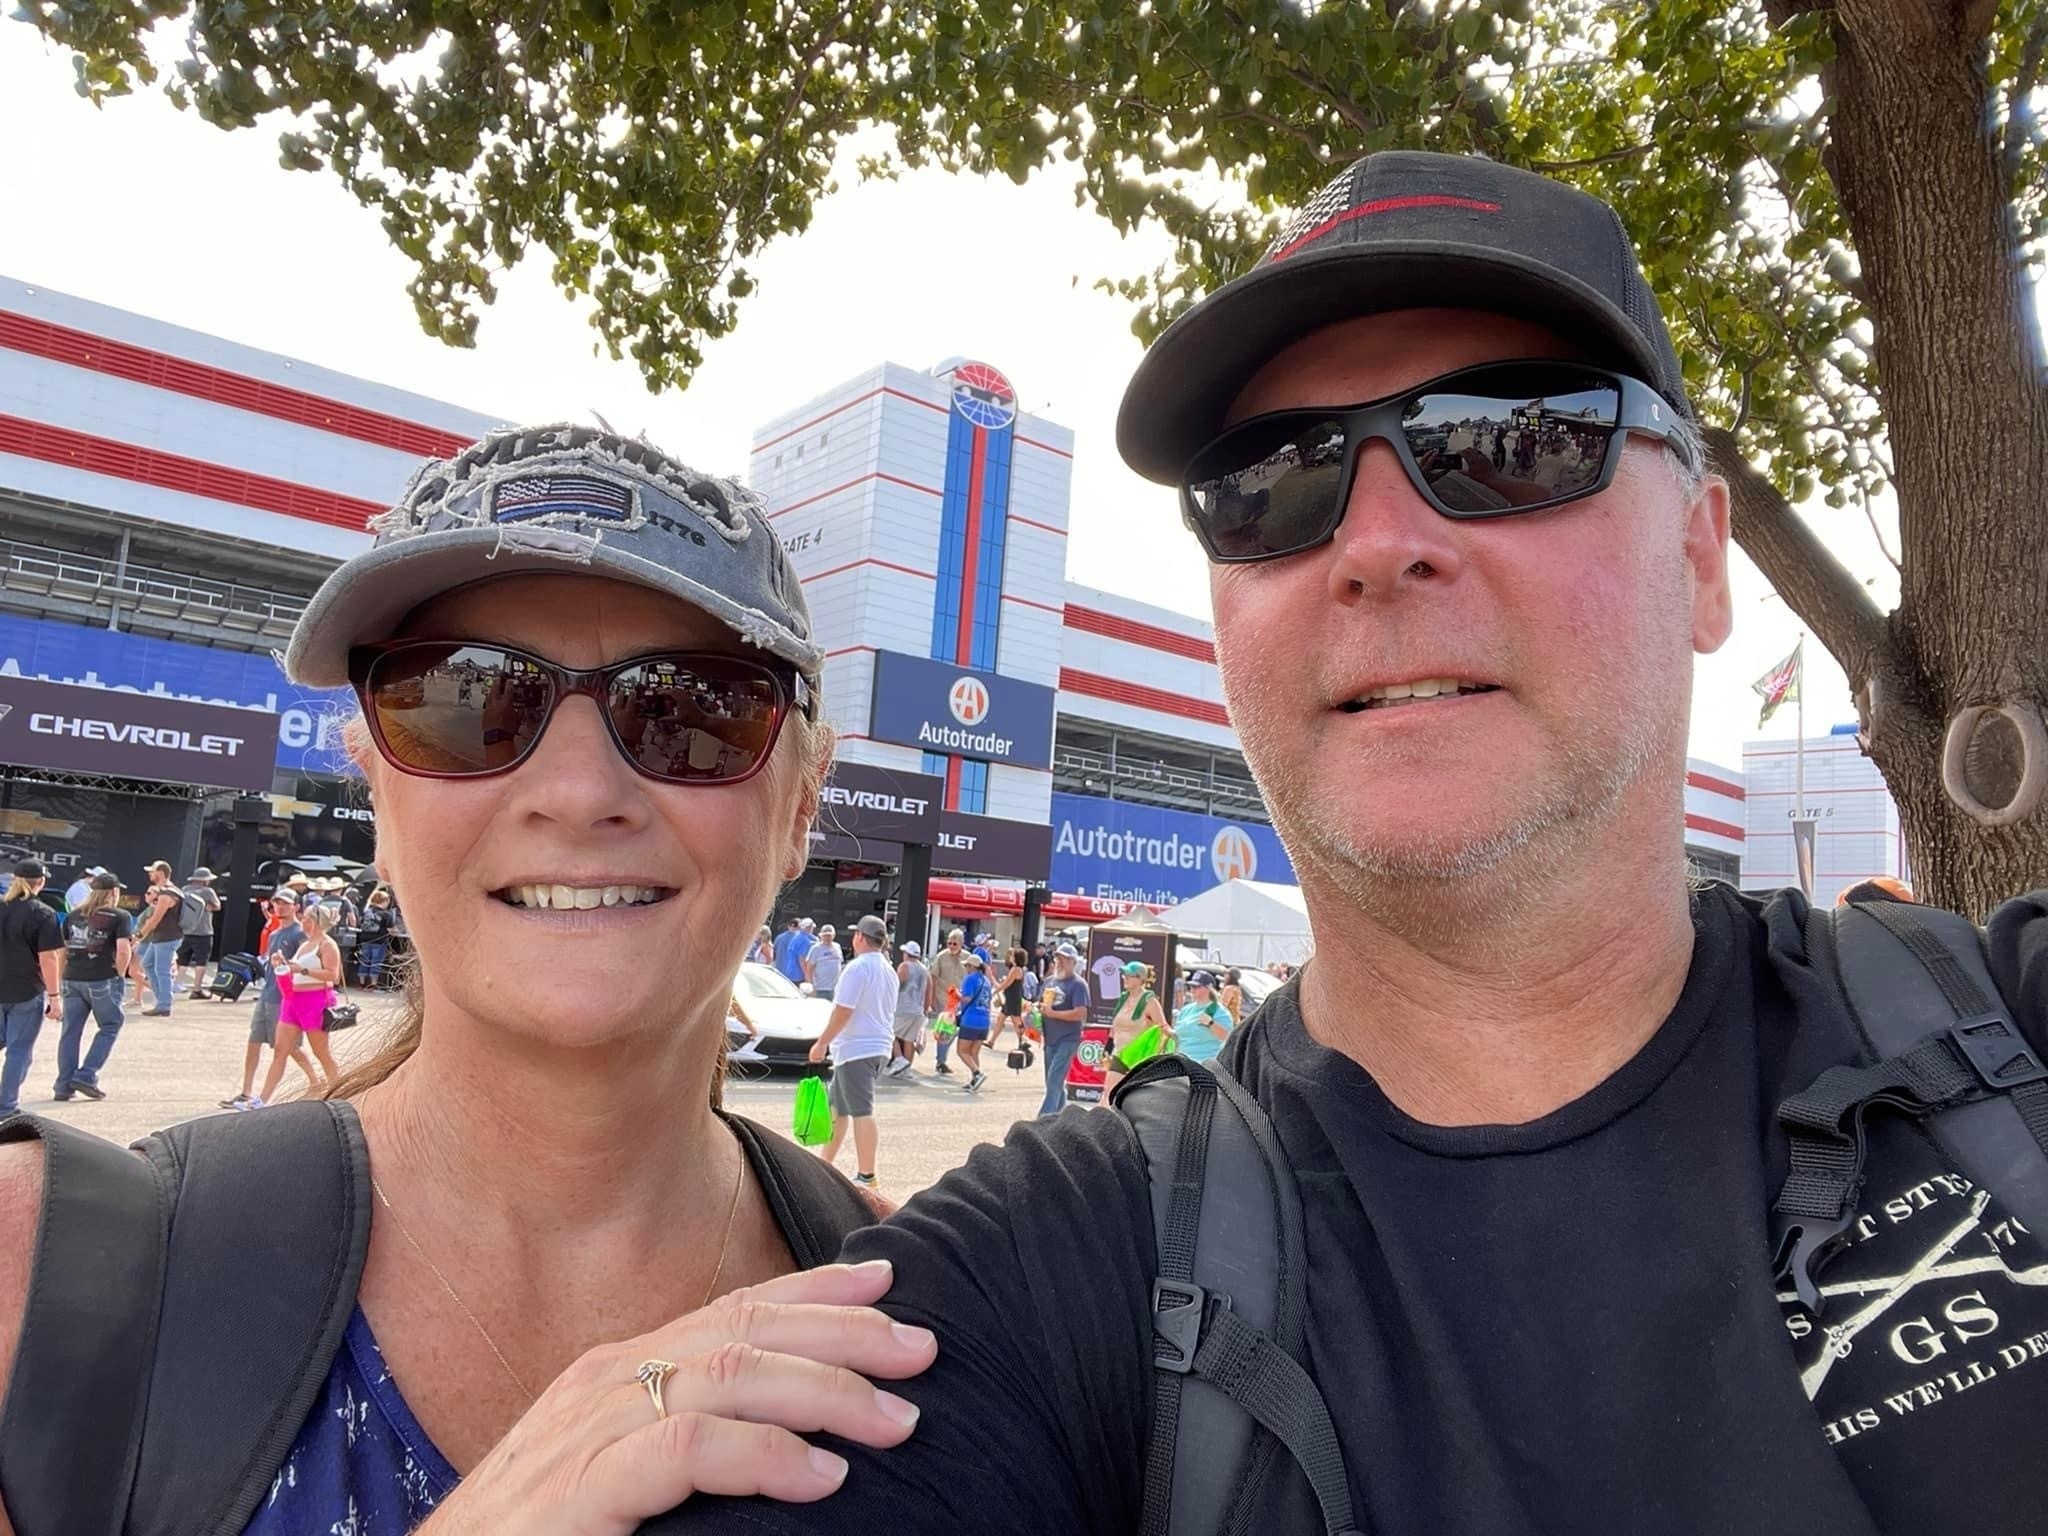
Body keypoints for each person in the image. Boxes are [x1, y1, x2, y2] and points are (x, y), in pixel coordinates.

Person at [637, 152, 2048, 1536]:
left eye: (1507, 437)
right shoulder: (1057, 1272)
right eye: (1272, 480)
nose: (1376, 543)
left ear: (1697, 555)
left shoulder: (2010, 1042)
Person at [0, 425, 944, 1534]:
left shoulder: (918, 1310)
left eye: (692, 710)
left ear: (800, 805)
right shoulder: (44, 1275)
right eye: (461, 701)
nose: (578, 792)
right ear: (375, 790)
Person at [808, 916, 898, 1188]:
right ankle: (825, 1164)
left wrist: (822, 1042)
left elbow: (843, 1010)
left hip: (857, 1048)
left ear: (860, 936)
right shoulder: (888, 970)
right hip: (875, 1047)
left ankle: (867, 1174)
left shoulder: (857, 968)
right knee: (838, 1109)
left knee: (861, 1110)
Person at [223, 889, 320, 1111]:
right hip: (268, 993)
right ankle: (246, 1092)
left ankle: (316, 1081)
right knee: (254, 1041)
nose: (280, 907)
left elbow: (307, 963)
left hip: (285, 998)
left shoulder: (299, 934)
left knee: (287, 1047)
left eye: (286, 903)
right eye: (277, 903)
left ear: (296, 907)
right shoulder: (275, 934)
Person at [51, 871, 134, 1103]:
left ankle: (63, 1085)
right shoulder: (120, 916)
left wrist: (61, 978)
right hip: (102, 978)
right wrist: (119, 974)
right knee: (110, 1025)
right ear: (114, 892)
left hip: (72, 978)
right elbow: (123, 950)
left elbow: (62, 951)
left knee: (70, 1032)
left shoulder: (73, 915)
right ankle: (86, 1075)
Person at [256, 901, 346, 1104]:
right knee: (281, 1050)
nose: (302, 921)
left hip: (315, 1001)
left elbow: (333, 975)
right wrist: (283, 965)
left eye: (305, 917)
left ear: (314, 921)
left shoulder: (327, 945)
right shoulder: (305, 945)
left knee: (321, 1052)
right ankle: (262, 1099)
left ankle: (339, 1092)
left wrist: (302, 970)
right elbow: (295, 970)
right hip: (293, 1001)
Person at [0, 862, 64, 1119]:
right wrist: (54, 996)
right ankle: (6, 1107)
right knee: (19, 1052)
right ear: (41, 881)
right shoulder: (43, 913)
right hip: (26, 990)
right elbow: (48, 957)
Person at [1035, 943, 1090, 1118]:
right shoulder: (1049, 981)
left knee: (1054, 1080)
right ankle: (1062, 1117)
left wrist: (1053, 1014)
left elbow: (1080, 1013)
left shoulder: (1078, 985)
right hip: (1050, 1038)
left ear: (1073, 962)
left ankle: (1043, 1120)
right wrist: (1034, 1012)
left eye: (1065, 959)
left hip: (1068, 1038)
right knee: (1052, 1082)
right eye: (1058, 958)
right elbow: (1041, 1005)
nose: (1060, 962)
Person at [1102, 961, 1169, 1095]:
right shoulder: (1123, 998)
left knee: (1133, 1097)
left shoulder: (1150, 1001)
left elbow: (1163, 1029)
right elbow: (1115, 1026)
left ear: (1140, 979)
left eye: (1129, 975)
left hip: (1139, 1058)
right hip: (1120, 1055)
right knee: (1108, 1092)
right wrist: (1107, 1048)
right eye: (1124, 975)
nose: (1125, 978)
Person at [133, 860, 185, 1015]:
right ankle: (162, 999)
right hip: (162, 937)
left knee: (162, 969)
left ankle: (164, 1005)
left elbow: (155, 919)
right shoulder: (171, 891)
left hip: (167, 937)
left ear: (161, 873)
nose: (150, 874)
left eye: (152, 871)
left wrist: (139, 936)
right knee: (148, 964)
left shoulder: (167, 894)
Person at [924, 929, 969, 1077]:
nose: (951, 946)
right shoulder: (941, 957)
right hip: (944, 999)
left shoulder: (968, 958)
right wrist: (931, 999)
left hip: (961, 1001)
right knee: (945, 1031)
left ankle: (941, 1058)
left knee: (955, 1031)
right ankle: (941, 1062)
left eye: (954, 943)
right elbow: (933, 978)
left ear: (961, 943)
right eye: (949, 943)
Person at [950, 952, 993, 1093]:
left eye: (967, 966)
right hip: (984, 1020)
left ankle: (977, 1073)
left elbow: (967, 998)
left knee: (962, 1051)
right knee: (974, 1052)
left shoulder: (970, 979)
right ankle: (975, 1080)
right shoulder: (986, 981)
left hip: (971, 1019)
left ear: (972, 966)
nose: (966, 968)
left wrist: (956, 994)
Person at [175, 867, 223, 992]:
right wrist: (208, 907)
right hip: (204, 931)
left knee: (182, 958)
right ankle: (197, 988)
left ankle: (177, 984)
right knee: (201, 960)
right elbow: (217, 906)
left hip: (186, 929)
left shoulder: (185, 889)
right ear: (205, 880)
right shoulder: (208, 891)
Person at [1171, 970, 1232, 1066]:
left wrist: (1211, 1023)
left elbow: (1227, 1037)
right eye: (1191, 986)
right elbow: (1178, 1036)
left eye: (1197, 986)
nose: (1192, 989)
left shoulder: (1217, 1010)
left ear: (1209, 988)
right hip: (1182, 1063)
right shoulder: (1186, 1010)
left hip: (1205, 1064)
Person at [888, 940, 929, 1078]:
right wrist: (925, 1009)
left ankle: (899, 1058)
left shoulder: (904, 966)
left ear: (907, 953)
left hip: (903, 1008)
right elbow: (928, 990)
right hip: (917, 1009)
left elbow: (896, 985)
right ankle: (906, 1069)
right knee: (909, 1039)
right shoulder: (924, 969)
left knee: (890, 1032)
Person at [357, 887, 398, 989]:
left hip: (365, 939)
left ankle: (361, 983)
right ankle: (373, 984)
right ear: (385, 901)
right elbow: (390, 929)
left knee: (364, 960)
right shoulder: (386, 914)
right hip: (379, 941)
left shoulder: (367, 911)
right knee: (376, 962)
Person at [992, 946, 1029, 1056]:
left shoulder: (1016, 969)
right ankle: (991, 1041)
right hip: (1011, 997)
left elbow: (1007, 983)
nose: (1011, 957)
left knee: (1016, 1021)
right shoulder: (1019, 969)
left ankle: (1024, 1041)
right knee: (1001, 1019)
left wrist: (995, 991)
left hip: (1012, 998)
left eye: (1012, 955)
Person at [804, 924, 842, 1001]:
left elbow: (839, 964)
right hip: (820, 988)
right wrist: (811, 986)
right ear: (821, 936)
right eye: (825, 936)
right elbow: (809, 968)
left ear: (833, 936)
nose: (827, 938)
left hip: (835, 988)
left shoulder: (837, 946)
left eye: (829, 935)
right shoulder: (816, 948)